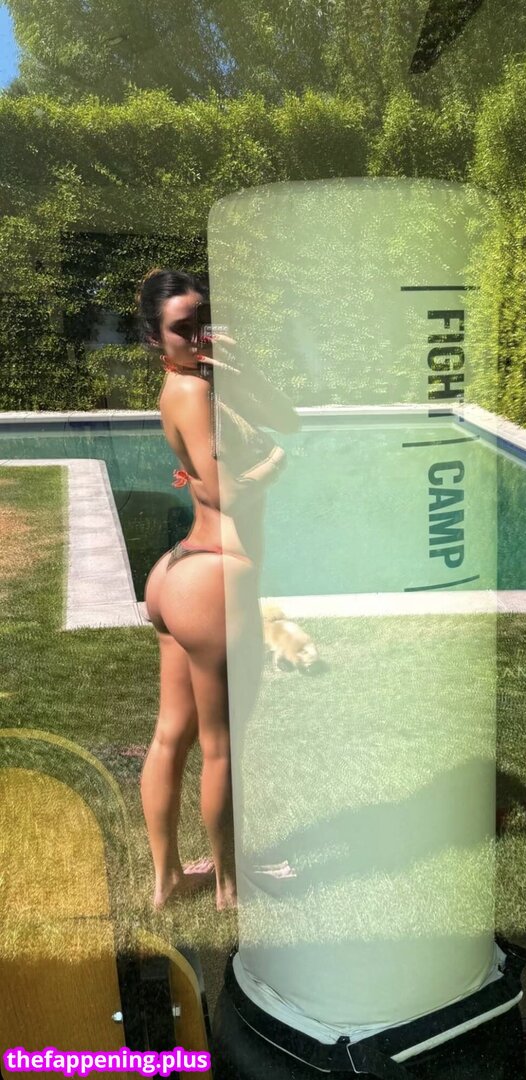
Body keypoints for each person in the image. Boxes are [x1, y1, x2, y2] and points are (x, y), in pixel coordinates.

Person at [136, 268, 300, 910]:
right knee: (221, 745)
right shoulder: (192, 392)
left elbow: (285, 417)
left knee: (170, 735)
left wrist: (242, 367)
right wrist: (273, 463)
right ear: (156, 337)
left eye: (204, 318)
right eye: (184, 327)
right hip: (214, 575)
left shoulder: (198, 383)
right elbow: (221, 490)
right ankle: (231, 886)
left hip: (179, 571)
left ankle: (168, 880)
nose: (198, 334)